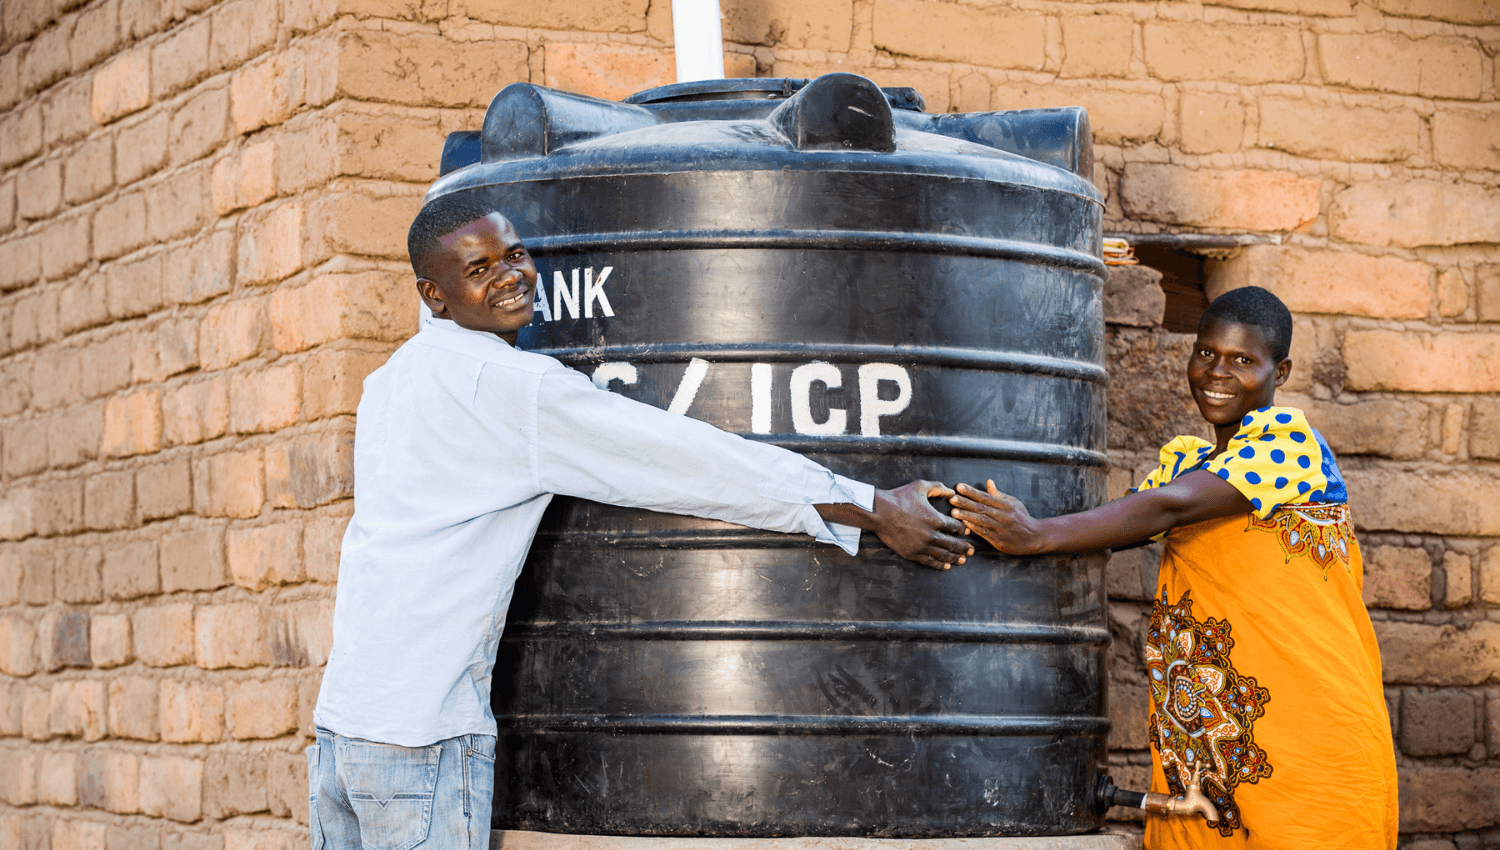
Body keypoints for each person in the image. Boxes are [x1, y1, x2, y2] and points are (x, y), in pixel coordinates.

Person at [307, 192, 974, 850]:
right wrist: (873, 505)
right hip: (421, 735)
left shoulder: (391, 380)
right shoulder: (519, 389)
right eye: (479, 269)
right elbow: (692, 462)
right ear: (435, 294)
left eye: (513, 255)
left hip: (344, 729)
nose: (510, 276)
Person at [948, 286, 1398, 848]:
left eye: (1242, 361)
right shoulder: (1189, 464)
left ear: (1279, 373)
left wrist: (1037, 535)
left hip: (1308, 726)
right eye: (1206, 353)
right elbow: (1126, 521)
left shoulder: (1290, 449)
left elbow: (1169, 508)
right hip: (1215, 741)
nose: (1218, 372)